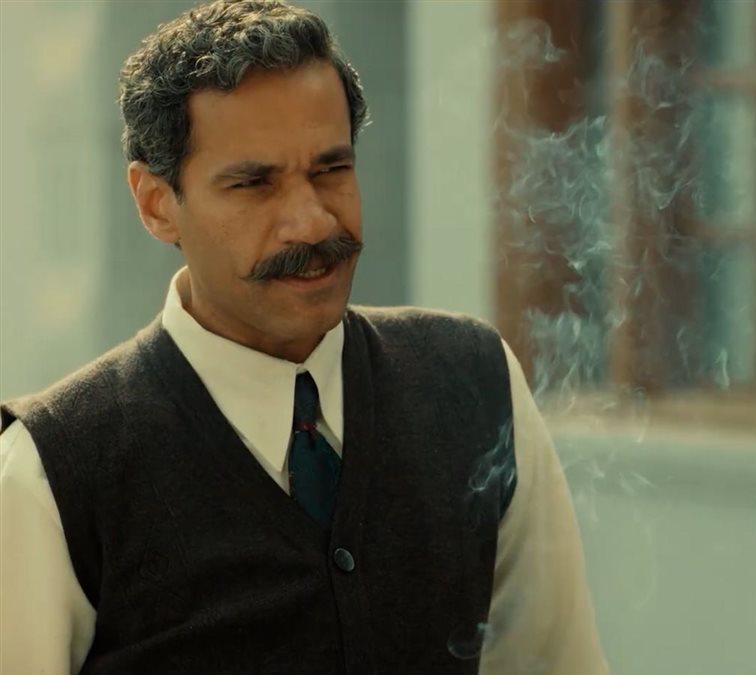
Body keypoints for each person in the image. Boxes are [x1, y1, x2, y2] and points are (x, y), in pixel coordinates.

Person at [0, 1, 608, 673]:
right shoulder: (50, 475)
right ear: (156, 203)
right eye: (253, 184)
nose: (312, 223)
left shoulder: (475, 383)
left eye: (331, 170)